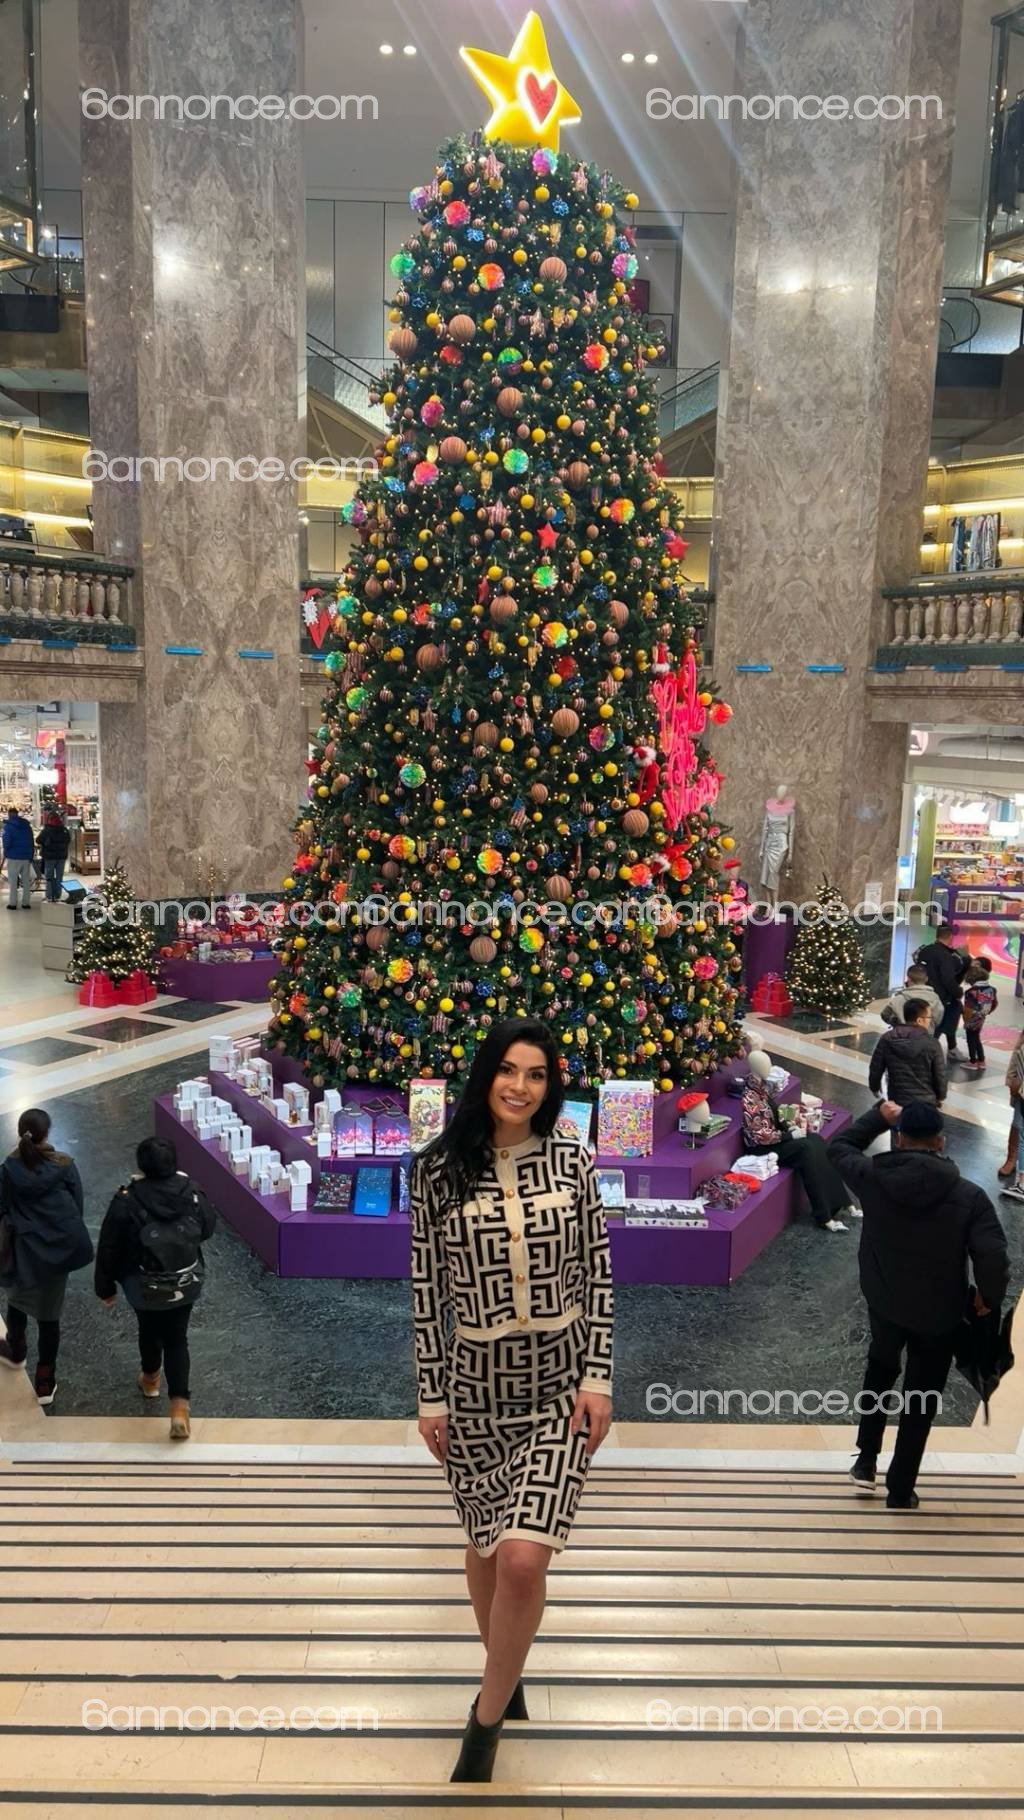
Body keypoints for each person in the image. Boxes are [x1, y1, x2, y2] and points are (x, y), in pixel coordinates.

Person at [411, 1016, 613, 1784]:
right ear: (486, 1074)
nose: (520, 1087)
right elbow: (427, 1294)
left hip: (559, 1387)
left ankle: (485, 1721)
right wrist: (432, 1395)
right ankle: (508, 1666)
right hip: (475, 1390)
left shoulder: (571, 1157)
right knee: (487, 1541)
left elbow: (598, 1273)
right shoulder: (438, 1172)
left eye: (536, 1075)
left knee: (524, 1559)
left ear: (550, 1085)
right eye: (508, 1069)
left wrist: (599, 1378)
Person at [829, 1100, 1009, 1508]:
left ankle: (866, 1461)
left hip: (885, 1298)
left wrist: (878, 1115)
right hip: (940, 1312)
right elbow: (993, 1256)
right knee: (922, 1395)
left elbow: (838, 1147)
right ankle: (900, 1488)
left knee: (880, 1368)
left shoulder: (872, 1178)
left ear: (899, 1139)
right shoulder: (969, 1196)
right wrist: (987, 1296)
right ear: (941, 1142)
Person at [94, 1136, 216, 1441]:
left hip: (142, 1283)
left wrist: (105, 1286)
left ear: (142, 1165)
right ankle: (179, 1408)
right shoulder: (193, 1192)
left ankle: (150, 1379)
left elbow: (109, 1245)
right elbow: (208, 1228)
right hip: (185, 1280)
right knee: (177, 1338)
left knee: (148, 1328)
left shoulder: (126, 1199)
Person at [0, 1108, 93, 1405]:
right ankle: (45, 1381)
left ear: (20, 1133)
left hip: (21, 1250)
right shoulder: (65, 1165)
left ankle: (16, 1351)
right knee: (49, 1317)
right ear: (47, 1133)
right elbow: (77, 1206)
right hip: (58, 1250)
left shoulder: (7, 1170)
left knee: (16, 1302)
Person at [740, 1051, 857, 1232]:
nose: (768, 1067)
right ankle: (823, 1215)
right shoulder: (749, 1096)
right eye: (764, 1064)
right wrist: (789, 1136)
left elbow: (775, 1114)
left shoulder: (762, 1087)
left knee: (816, 1139)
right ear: (755, 1067)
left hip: (776, 1138)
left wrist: (790, 1127)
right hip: (761, 1148)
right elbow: (758, 1135)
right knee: (805, 1148)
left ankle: (843, 1201)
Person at [868, 999, 947, 1108]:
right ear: (920, 1020)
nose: (930, 1021)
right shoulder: (932, 1043)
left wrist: (874, 1087)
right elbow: (940, 1075)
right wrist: (941, 1095)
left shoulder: (887, 1038)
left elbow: (876, 1067)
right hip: (925, 1103)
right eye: (929, 1018)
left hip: (897, 1100)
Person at [914, 926, 969, 1059]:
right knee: (942, 1023)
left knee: (928, 1023)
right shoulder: (946, 956)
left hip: (924, 993)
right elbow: (948, 979)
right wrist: (958, 992)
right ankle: (933, 1052)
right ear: (950, 937)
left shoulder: (925, 950)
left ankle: (947, 1047)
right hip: (942, 997)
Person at [880, 964, 942, 1033]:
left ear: (908, 979)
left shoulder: (898, 999)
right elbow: (938, 1019)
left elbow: (885, 1015)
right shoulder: (935, 998)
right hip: (926, 1035)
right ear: (926, 979)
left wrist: (896, 1024)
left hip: (902, 1036)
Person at [961, 956, 998, 1070]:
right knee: (976, 1037)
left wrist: (966, 1021)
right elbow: (995, 1004)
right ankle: (981, 1060)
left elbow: (968, 1009)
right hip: (982, 1017)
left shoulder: (971, 991)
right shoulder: (991, 989)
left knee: (970, 1039)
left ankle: (972, 1061)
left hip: (972, 1018)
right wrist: (985, 1012)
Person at [999, 1029, 1024, 1193]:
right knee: (1017, 1123)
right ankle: (1012, 1158)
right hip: (1021, 1087)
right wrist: (1013, 1079)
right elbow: (1017, 1054)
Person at [1, 806, 35, 910]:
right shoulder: (27, 826)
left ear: (9, 815)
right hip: (26, 857)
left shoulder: (8, 827)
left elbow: (6, 842)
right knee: (26, 881)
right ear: (17, 814)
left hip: (13, 857)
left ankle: (13, 903)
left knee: (13, 881)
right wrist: (31, 855)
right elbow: (31, 841)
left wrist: (6, 852)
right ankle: (26, 903)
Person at [37, 812, 71, 903]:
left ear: (49, 820)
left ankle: (49, 896)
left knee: (49, 877)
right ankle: (57, 896)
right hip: (61, 857)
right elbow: (68, 840)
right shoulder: (64, 829)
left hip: (49, 857)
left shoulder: (46, 830)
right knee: (59, 877)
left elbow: (38, 840)